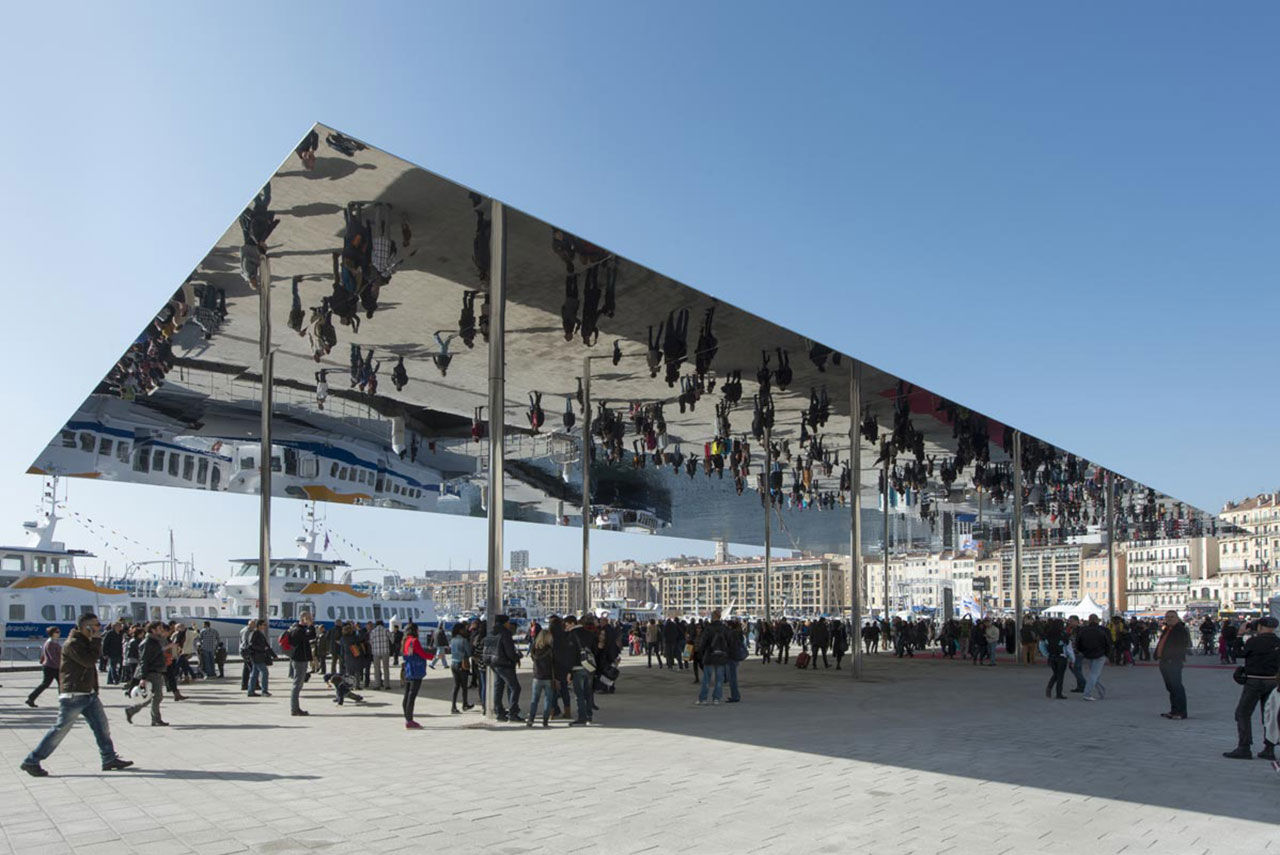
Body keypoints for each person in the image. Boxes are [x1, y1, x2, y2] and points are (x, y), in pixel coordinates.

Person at [19, 613, 133, 777]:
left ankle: (109, 758)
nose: (99, 628)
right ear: (86, 627)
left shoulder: (85, 641)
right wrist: (96, 640)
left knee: (102, 727)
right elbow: (89, 661)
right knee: (60, 730)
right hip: (74, 694)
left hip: (88, 693)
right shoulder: (72, 643)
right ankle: (32, 761)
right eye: (95, 625)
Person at [1223, 616, 1280, 760]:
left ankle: (1244, 747)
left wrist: (1240, 635)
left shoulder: (1253, 642)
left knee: (1243, 713)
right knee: (1269, 715)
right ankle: (1269, 749)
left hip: (1254, 681)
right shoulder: (1278, 642)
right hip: (1273, 681)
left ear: (1259, 627)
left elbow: (1237, 653)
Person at [125, 621, 170, 727]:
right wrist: (143, 677)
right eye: (159, 628)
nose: (161, 630)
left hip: (156, 670)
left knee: (153, 696)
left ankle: (133, 710)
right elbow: (143, 660)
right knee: (156, 696)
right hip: (151, 672)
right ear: (153, 630)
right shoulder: (148, 642)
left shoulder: (155, 641)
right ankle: (155, 719)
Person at [1155, 610, 1190, 719]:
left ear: (1177, 618)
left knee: (1176, 687)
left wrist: (1172, 657)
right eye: (1167, 617)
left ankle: (1181, 712)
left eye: (1172, 617)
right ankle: (1174, 710)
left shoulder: (1180, 630)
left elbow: (1181, 645)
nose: (1169, 619)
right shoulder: (1167, 629)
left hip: (1173, 662)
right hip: (1164, 661)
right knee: (1170, 687)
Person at [489, 615, 524, 722]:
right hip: (505, 664)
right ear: (505, 623)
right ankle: (513, 713)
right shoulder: (505, 633)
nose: (509, 624)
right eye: (508, 622)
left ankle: (499, 712)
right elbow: (509, 651)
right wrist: (517, 657)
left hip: (494, 663)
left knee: (498, 688)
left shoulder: (491, 633)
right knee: (515, 688)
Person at [696, 610, 731, 706]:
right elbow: (729, 642)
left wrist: (700, 653)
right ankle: (716, 698)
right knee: (719, 679)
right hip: (721, 656)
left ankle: (703, 699)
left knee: (707, 678)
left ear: (714, 616)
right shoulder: (724, 628)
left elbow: (703, 642)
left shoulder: (708, 628)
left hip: (709, 655)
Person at [284, 612, 315, 716]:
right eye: (309, 618)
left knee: (298, 684)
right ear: (304, 618)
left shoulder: (297, 629)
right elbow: (311, 636)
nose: (311, 620)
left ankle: (295, 708)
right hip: (299, 659)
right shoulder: (298, 630)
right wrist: (310, 626)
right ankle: (295, 709)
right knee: (297, 684)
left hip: (299, 659)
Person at [401, 624, 429, 729]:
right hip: (416, 671)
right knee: (412, 696)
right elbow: (422, 654)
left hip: (408, 670)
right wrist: (433, 656)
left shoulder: (405, 641)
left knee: (407, 695)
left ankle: (407, 718)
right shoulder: (414, 641)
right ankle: (410, 720)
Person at [25, 627, 62, 707]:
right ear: (52, 633)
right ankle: (31, 698)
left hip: (51, 666)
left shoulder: (52, 642)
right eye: (57, 632)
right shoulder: (50, 643)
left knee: (56, 683)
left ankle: (31, 698)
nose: (59, 633)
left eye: (59, 631)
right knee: (49, 684)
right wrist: (61, 665)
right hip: (52, 667)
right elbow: (53, 657)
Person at [1076, 614, 1110, 701]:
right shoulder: (1103, 630)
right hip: (1100, 654)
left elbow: (1078, 642)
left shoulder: (1083, 630)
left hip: (1088, 654)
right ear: (1097, 620)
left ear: (1089, 620)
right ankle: (1087, 694)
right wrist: (1107, 654)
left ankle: (1102, 691)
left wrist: (1082, 651)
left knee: (1094, 674)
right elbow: (1108, 643)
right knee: (1094, 674)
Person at [527, 629, 556, 728]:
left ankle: (531, 719)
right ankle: (545, 721)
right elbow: (554, 663)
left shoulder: (534, 648)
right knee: (548, 700)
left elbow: (533, 659)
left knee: (534, 700)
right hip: (548, 677)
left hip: (537, 676)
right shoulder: (550, 649)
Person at [1039, 619, 1070, 700]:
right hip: (1061, 657)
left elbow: (1041, 646)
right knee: (1060, 676)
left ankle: (1049, 687)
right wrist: (1071, 658)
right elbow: (1067, 648)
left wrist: (1047, 654)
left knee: (1056, 673)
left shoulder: (1047, 635)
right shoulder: (1063, 635)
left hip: (1051, 657)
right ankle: (1058, 693)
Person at [449, 622, 473, 714]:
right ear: (460, 630)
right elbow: (469, 653)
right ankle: (465, 704)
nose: (465, 630)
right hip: (462, 664)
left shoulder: (452, 640)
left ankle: (453, 706)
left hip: (453, 663)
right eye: (464, 629)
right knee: (464, 686)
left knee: (456, 685)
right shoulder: (464, 640)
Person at [247, 619, 273, 697]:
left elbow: (266, 645)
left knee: (254, 674)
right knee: (265, 672)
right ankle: (264, 691)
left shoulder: (259, 633)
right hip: (257, 656)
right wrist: (262, 648)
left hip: (258, 656)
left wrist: (273, 654)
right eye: (264, 625)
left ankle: (251, 691)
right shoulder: (255, 633)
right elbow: (251, 645)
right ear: (259, 625)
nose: (265, 626)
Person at [369, 620, 392, 690]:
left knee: (376, 669)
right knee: (386, 668)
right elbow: (392, 639)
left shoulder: (373, 631)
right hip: (385, 651)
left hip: (376, 652)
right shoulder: (386, 630)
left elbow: (371, 642)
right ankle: (387, 685)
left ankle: (377, 685)